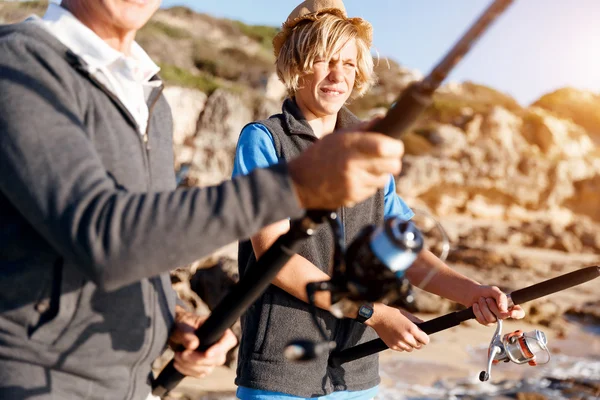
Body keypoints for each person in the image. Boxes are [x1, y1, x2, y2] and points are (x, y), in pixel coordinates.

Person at [0, 1, 407, 399]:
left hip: (129, 381)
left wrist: (174, 318)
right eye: (323, 58)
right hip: (38, 380)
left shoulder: (147, 92)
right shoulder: (20, 60)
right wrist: (298, 182)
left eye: (348, 63)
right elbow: (102, 235)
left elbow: (145, 248)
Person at [232, 1, 526, 399]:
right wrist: (374, 313)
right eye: (323, 60)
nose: (338, 75)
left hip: (354, 372)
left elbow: (403, 251)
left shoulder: (370, 148)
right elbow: (273, 258)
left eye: (349, 64)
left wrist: (473, 292)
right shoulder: (265, 140)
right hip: (281, 372)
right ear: (295, 64)